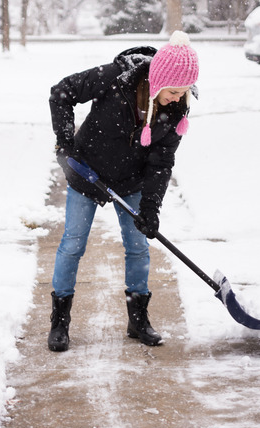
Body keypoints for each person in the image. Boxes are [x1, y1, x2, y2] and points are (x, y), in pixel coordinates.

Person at [47, 31, 199, 352]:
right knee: (73, 245)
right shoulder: (115, 79)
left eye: (184, 93)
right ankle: (60, 322)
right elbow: (62, 92)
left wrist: (151, 208)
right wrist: (65, 141)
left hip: (131, 182)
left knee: (138, 246)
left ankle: (138, 320)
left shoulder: (175, 111)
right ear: (158, 82)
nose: (177, 98)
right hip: (86, 172)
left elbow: (161, 163)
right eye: (173, 91)